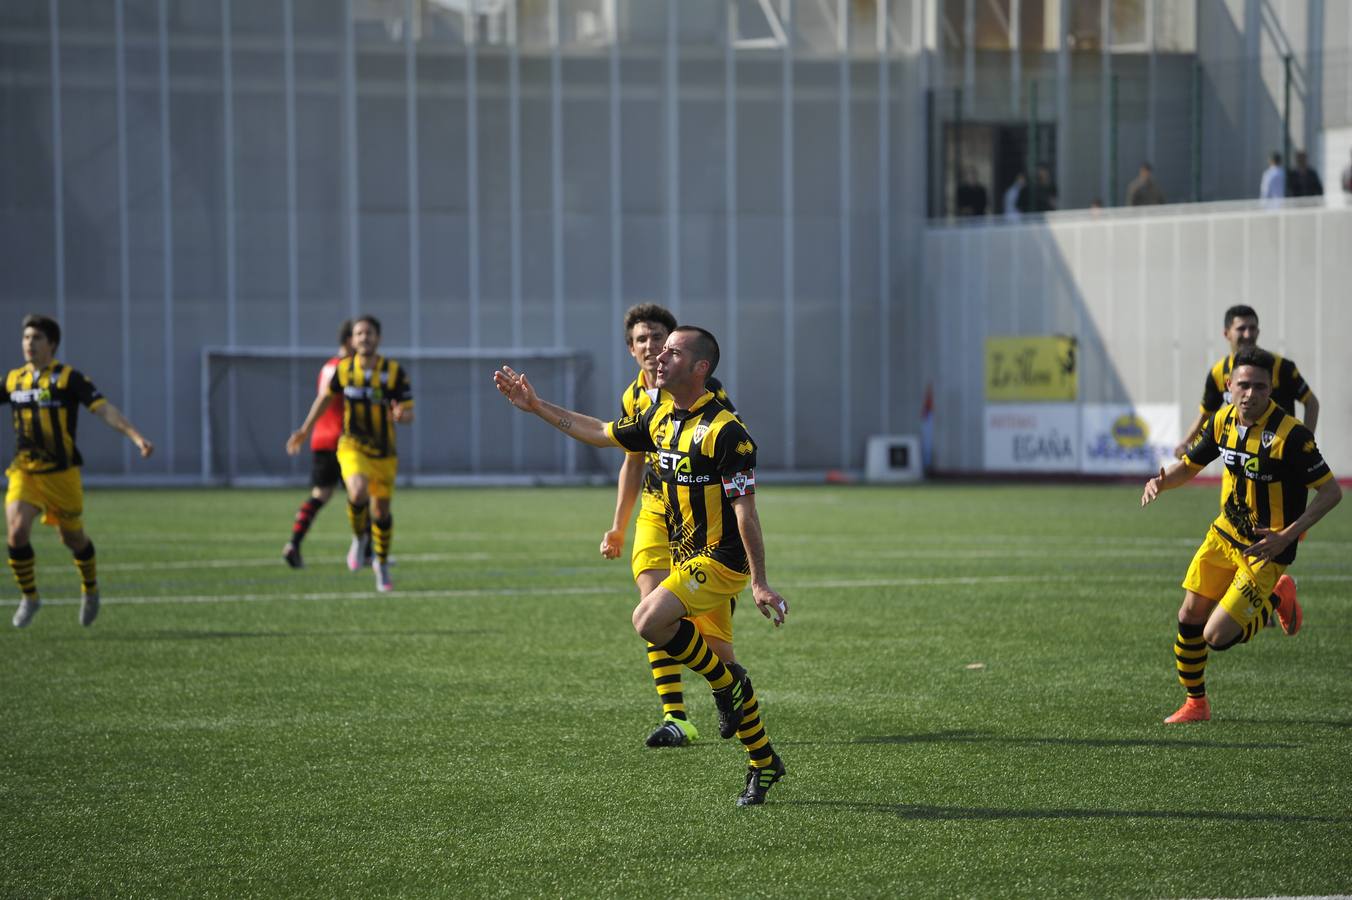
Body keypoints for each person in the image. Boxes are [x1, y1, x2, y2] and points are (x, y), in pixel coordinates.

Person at [494, 326, 790, 806]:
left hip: (721, 561)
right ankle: (763, 761)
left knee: (648, 619)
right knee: (720, 658)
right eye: (658, 349)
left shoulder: (726, 432)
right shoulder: (657, 417)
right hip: (686, 555)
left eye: (672, 351)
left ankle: (723, 684)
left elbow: (746, 513)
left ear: (700, 368)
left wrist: (759, 583)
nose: (658, 357)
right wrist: (537, 405)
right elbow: (598, 432)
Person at [1141, 345, 1341, 723]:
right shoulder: (1222, 420)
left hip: (1266, 548)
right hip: (1224, 534)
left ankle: (1279, 596)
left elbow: (1332, 492)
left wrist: (1287, 536)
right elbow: (1190, 466)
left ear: (1271, 390)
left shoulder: (1292, 437)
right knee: (1189, 615)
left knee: (1216, 637)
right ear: (1230, 385)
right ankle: (1196, 704)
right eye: (1244, 385)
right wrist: (1161, 481)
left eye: (1261, 387)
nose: (1251, 394)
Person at [601, 303, 739, 749]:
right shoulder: (633, 396)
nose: (650, 346)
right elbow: (631, 461)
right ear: (630, 349)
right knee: (650, 605)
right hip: (655, 513)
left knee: (712, 640)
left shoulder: (706, 393)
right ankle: (676, 717)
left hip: (701, 526)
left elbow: (728, 458)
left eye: (658, 338)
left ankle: (729, 687)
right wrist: (618, 526)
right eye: (641, 339)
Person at [5, 314, 154, 628]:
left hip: (62, 475)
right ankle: (30, 597)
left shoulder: (68, 379)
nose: (29, 343)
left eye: (37, 338)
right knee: (16, 532)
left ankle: (90, 588)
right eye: (26, 338)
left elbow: (105, 410)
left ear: (52, 344)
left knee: (73, 539)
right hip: (25, 471)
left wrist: (136, 436)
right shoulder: (13, 379)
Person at [286, 315, 413, 593]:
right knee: (356, 492)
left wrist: (401, 415)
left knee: (381, 512)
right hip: (351, 445)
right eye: (359, 334)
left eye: (369, 333)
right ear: (352, 340)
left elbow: (408, 412)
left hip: (384, 452)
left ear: (378, 338)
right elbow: (324, 398)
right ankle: (359, 539)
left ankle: (380, 563)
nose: (364, 338)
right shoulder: (343, 370)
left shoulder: (394, 372)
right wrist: (305, 429)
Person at [1173, 304, 1319, 459]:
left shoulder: (1281, 366)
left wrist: (1305, 442)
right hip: (1236, 462)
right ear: (1227, 333)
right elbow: (1206, 414)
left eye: (1252, 328)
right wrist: (1186, 442)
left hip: (1278, 458)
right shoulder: (1218, 372)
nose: (1248, 334)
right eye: (1241, 329)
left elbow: (1311, 403)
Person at [283, 320, 358, 569]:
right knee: (363, 493)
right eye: (359, 336)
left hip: (321, 438)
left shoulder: (327, 366)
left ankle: (294, 543)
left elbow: (323, 399)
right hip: (345, 440)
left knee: (321, 495)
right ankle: (364, 551)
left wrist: (305, 430)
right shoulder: (348, 368)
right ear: (350, 340)